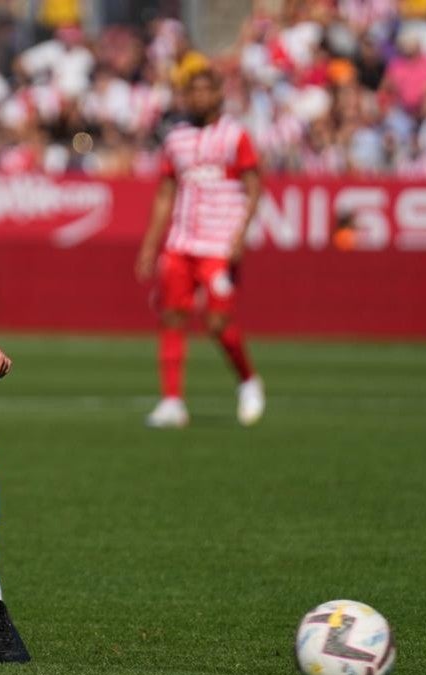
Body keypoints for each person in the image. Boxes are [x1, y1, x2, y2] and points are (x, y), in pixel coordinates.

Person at [135, 67, 265, 429]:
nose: (199, 98)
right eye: (192, 92)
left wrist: (240, 236)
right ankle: (173, 401)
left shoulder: (235, 136)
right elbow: (165, 193)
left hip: (219, 244)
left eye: (206, 91)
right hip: (181, 242)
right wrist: (150, 245)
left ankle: (248, 381)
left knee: (218, 321)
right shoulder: (176, 138)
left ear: (218, 95)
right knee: (173, 316)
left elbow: (255, 186)